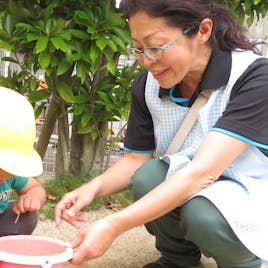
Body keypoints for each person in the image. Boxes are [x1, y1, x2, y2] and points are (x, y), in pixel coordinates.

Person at [55, 0, 268, 267]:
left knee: (203, 213)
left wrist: (113, 225)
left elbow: (201, 173)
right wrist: (91, 189)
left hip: (253, 192)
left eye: (156, 47)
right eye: (138, 49)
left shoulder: (255, 76)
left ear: (203, 31)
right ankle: (178, 260)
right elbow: (135, 161)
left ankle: (244, 262)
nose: (146, 61)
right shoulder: (148, 86)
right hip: (199, 179)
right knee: (147, 177)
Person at [0, 86, 46, 236]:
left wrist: (32, 198)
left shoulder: (11, 171)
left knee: (28, 217)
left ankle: (7, 249)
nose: (4, 172)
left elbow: (36, 188)